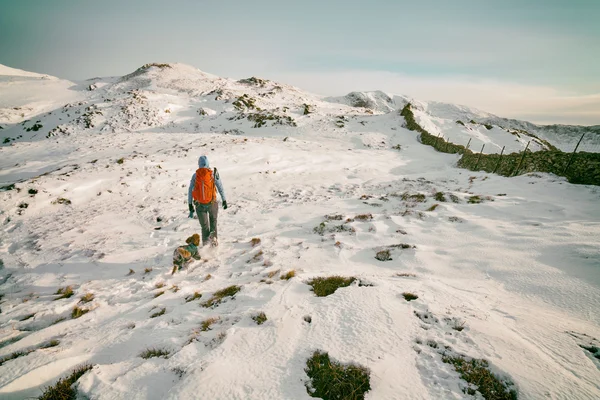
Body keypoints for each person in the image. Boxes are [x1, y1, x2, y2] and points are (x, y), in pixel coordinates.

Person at [188, 155, 227, 246]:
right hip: (212, 203)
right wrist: (224, 199)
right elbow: (220, 187)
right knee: (213, 223)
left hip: (199, 205)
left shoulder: (195, 175)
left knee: (204, 227)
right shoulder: (212, 174)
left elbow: (190, 190)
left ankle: (205, 246)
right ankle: (214, 242)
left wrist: (190, 204)